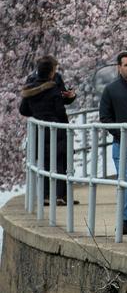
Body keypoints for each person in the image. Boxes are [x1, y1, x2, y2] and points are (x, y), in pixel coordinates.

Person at [19, 55, 76, 206]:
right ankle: (59, 196)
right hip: (56, 129)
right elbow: (59, 109)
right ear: (51, 71)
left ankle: (45, 196)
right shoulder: (53, 88)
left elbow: (23, 109)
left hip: (39, 129)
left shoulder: (30, 87)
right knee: (60, 161)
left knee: (44, 162)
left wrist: (38, 113)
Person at [99, 52, 127, 234]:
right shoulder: (111, 89)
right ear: (119, 67)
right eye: (126, 65)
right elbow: (105, 117)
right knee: (124, 182)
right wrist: (121, 133)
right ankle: (125, 220)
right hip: (122, 142)